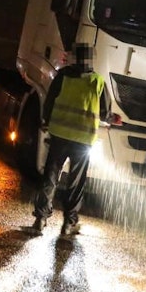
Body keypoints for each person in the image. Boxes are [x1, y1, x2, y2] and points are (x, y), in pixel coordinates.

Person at [30, 42, 120, 236]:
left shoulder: (62, 77)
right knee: (76, 183)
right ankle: (69, 223)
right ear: (90, 60)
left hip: (59, 136)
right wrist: (113, 119)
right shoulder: (97, 82)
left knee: (50, 177)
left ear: (73, 58)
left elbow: (50, 102)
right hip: (83, 141)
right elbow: (105, 113)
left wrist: (45, 121)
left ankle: (40, 218)